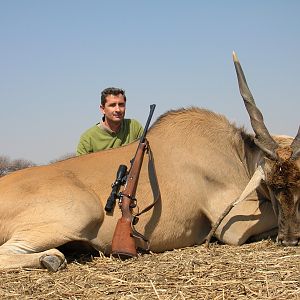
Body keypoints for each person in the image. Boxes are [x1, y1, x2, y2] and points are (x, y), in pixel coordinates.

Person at [76, 87, 143, 155]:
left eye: (121, 105)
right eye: (112, 105)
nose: (118, 109)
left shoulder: (134, 127)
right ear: (102, 109)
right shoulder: (87, 138)